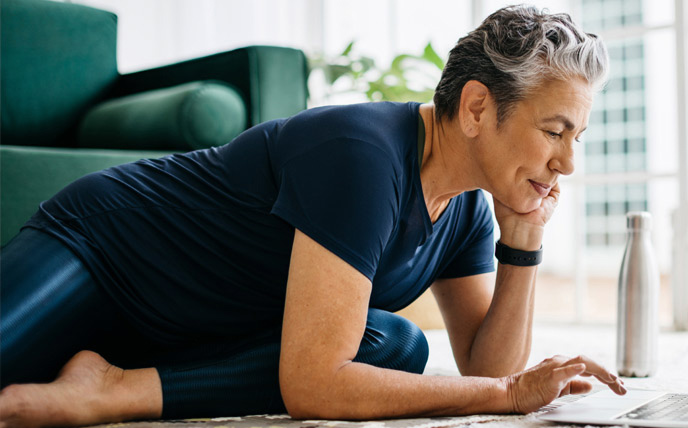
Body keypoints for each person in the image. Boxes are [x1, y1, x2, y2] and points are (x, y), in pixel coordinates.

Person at [0, 5, 625, 427]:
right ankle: (109, 387)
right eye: (554, 131)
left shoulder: (466, 210)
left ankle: (114, 388)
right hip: (102, 252)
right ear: (477, 108)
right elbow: (314, 384)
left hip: (179, 334)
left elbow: (488, 368)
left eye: (578, 137)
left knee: (393, 345)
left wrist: (522, 244)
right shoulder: (364, 155)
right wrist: (507, 395)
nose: (567, 162)